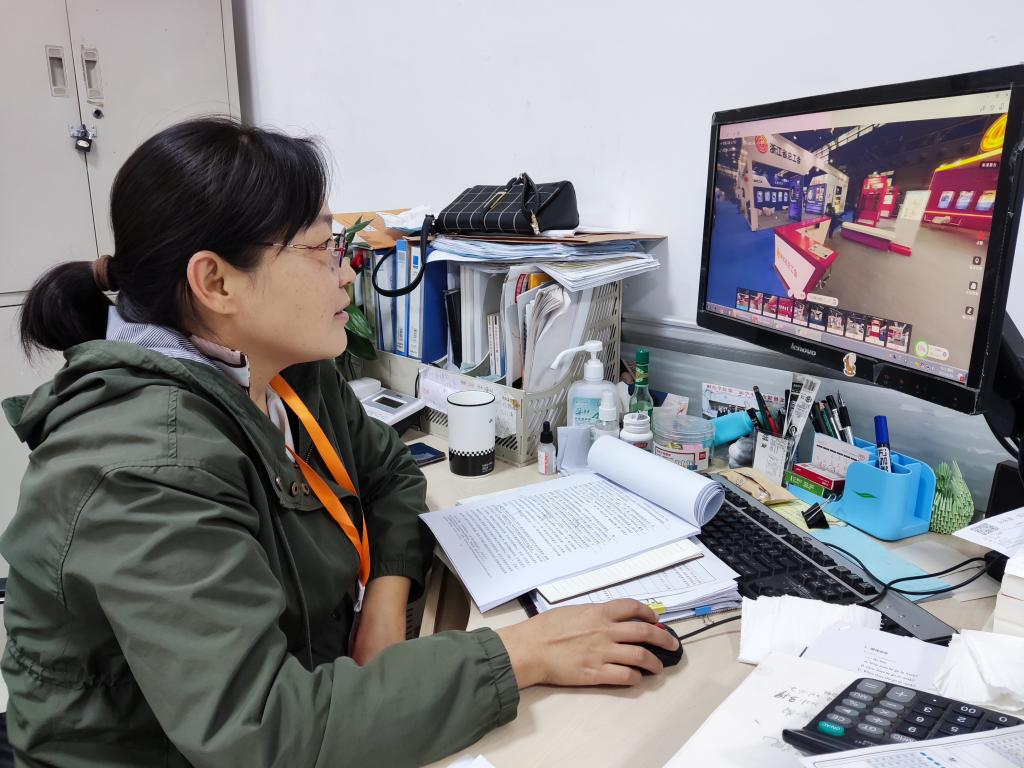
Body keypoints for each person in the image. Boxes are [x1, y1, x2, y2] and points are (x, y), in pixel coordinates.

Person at [1, 118, 679, 768]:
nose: (348, 275)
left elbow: (390, 474)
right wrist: (520, 655)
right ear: (216, 282)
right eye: (324, 249)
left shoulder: (279, 369)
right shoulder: (145, 465)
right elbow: (265, 733)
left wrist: (383, 601)